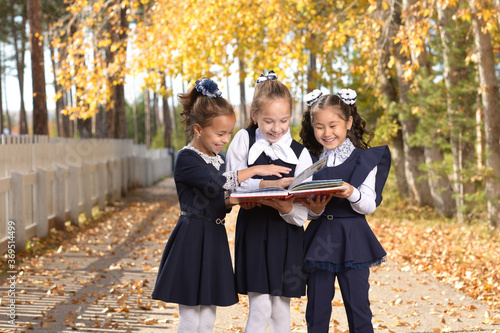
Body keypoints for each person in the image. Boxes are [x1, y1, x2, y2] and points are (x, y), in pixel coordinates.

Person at [151, 77, 292, 333]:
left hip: (213, 238)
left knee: (207, 319)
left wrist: (249, 199)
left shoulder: (216, 158)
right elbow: (217, 184)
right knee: (191, 319)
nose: (226, 139)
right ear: (197, 129)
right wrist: (256, 170)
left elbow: (221, 199)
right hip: (192, 239)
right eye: (220, 133)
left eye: (229, 133)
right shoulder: (187, 159)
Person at [226, 71, 313, 332]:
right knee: (261, 306)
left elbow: (303, 209)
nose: (276, 128)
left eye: (283, 120)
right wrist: (263, 185)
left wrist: (288, 204)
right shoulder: (245, 139)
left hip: (285, 234)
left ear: (291, 117)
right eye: (268, 121)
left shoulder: (301, 153)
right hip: (254, 230)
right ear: (255, 116)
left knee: (280, 310)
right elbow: (229, 182)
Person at [299, 88, 391, 332]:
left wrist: (351, 192)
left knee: (358, 305)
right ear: (312, 125)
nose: (327, 133)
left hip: (354, 237)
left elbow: (369, 205)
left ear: (348, 122)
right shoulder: (309, 160)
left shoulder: (365, 159)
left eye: (333, 125)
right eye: (319, 126)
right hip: (320, 239)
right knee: (317, 308)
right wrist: (315, 211)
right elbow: (305, 208)